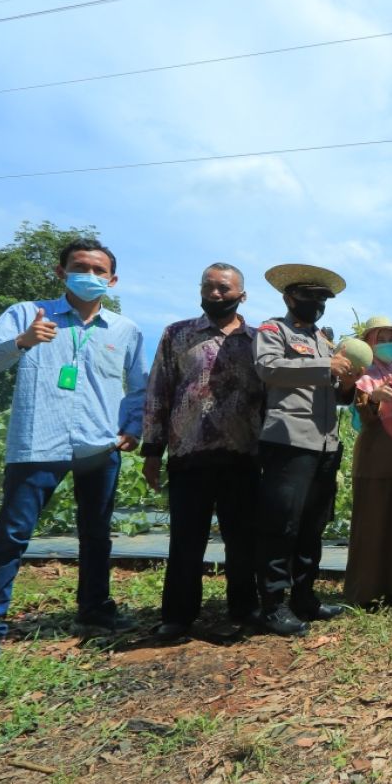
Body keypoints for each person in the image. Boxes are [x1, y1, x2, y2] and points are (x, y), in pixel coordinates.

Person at [0, 238, 147, 657]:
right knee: (12, 536)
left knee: (96, 535)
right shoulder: (26, 315)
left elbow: (140, 387)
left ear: (112, 279)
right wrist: (21, 342)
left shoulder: (125, 330)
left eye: (98, 271)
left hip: (99, 445)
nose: (89, 276)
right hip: (39, 441)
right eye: (80, 267)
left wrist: (133, 427)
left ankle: (94, 609)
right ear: (61, 272)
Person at [141, 263, 267, 640]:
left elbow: (272, 398)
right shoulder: (177, 335)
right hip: (188, 454)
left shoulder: (259, 341)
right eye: (208, 287)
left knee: (243, 540)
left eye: (224, 288)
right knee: (185, 540)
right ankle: (177, 617)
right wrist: (152, 450)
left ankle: (244, 608)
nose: (215, 294)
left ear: (241, 295)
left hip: (243, 454)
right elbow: (158, 392)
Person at [253, 264, 360, 636]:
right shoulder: (274, 330)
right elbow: (268, 368)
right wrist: (325, 365)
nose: (315, 303)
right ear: (288, 297)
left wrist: (349, 383)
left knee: (313, 525)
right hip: (289, 440)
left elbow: (336, 394)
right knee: (282, 525)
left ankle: (304, 598)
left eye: (321, 298)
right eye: (307, 296)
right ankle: (273, 605)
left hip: (326, 442)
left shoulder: (326, 340)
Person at [344, 316, 392, 608]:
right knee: (372, 526)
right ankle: (365, 592)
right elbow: (362, 415)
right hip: (374, 460)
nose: (388, 343)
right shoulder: (363, 376)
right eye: (381, 338)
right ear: (369, 344)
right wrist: (373, 398)